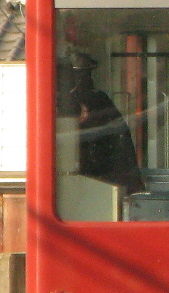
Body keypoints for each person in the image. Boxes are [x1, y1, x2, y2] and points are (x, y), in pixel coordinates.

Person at [57, 51, 145, 194]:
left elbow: (119, 137)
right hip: (81, 172)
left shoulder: (97, 100)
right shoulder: (65, 101)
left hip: (96, 172)